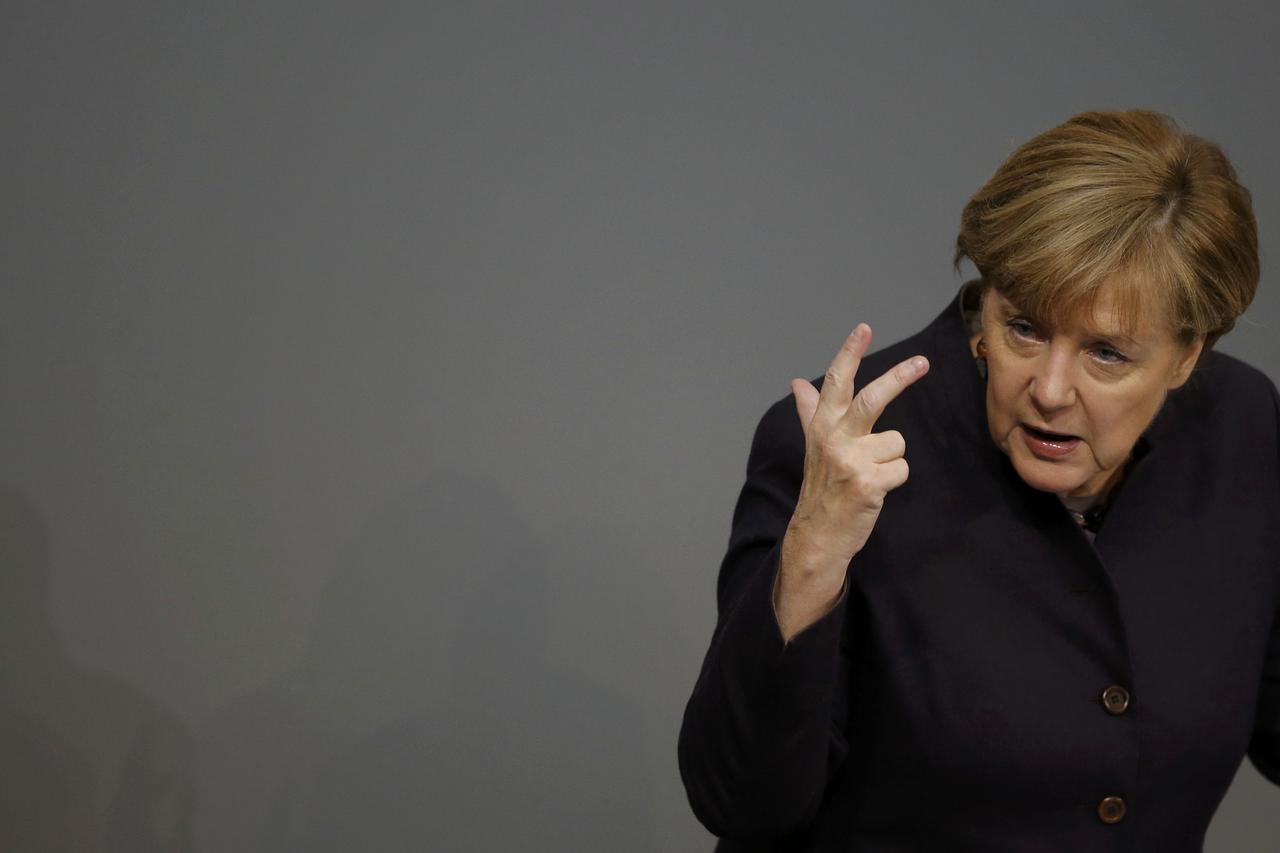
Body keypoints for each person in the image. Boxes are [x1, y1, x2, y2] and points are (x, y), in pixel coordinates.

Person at [678, 109, 1279, 851]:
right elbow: (740, 799)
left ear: (1189, 356)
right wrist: (812, 552)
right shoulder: (845, 450)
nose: (1051, 389)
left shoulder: (1243, 428)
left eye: (1106, 354)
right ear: (985, 302)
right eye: (1024, 327)